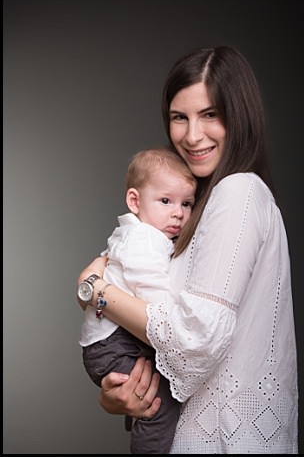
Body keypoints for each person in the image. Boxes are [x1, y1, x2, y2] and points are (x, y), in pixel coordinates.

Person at [75, 45, 298, 453]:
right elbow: (167, 340)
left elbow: (193, 339)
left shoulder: (238, 192)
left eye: (210, 114)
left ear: (239, 116)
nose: (192, 135)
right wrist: (118, 397)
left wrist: (95, 290)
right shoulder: (198, 205)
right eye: (180, 117)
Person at [79, 147, 196, 454]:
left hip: (112, 340)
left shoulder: (130, 233)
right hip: (114, 344)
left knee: (154, 392)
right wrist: (178, 314)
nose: (178, 213)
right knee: (161, 403)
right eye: (166, 201)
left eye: (187, 203)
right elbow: (152, 290)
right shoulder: (146, 239)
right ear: (135, 201)